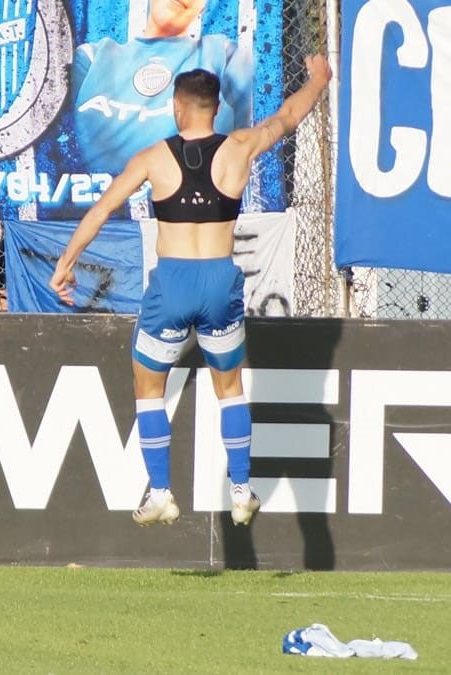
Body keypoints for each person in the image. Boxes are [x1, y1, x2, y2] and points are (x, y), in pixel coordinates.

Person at [49, 54, 332, 526]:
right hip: (221, 279)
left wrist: (65, 264)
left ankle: (161, 492)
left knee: (148, 387)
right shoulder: (239, 147)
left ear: (178, 107)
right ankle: (242, 489)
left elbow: (101, 211)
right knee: (231, 388)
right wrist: (318, 79)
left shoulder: (153, 158)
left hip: (174, 281)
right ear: (216, 109)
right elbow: (287, 117)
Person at [70, 0, 253, 175]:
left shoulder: (222, 55)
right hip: (99, 201)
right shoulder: (92, 58)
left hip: (192, 203)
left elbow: (252, 137)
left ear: (204, 6)